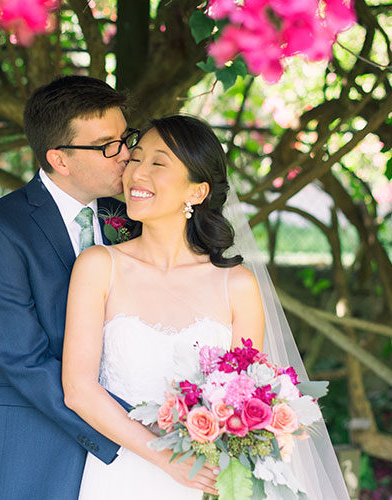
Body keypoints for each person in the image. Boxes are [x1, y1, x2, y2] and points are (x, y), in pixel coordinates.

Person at [62, 114, 350, 499]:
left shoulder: (237, 285)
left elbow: (248, 396)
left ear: (197, 192)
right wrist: (165, 459)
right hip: (118, 474)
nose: (136, 173)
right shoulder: (98, 265)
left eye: (158, 163)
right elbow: (79, 390)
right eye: (136, 158)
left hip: (208, 479)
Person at [0, 75, 139, 499]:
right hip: (34, 439)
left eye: (125, 138)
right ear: (59, 159)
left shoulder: (133, 215)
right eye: (107, 145)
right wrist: (132, 427)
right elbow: (22, 359)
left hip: (140, 439)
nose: (126, 156)